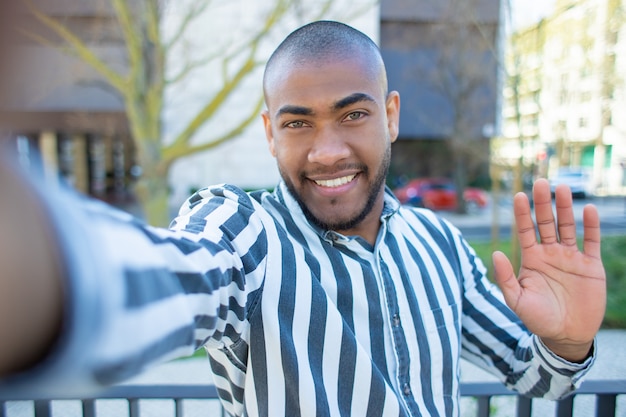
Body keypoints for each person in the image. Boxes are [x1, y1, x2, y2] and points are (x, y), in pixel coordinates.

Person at [0, 20, 606, 417]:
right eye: (297, 123)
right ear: (270, 132)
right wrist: (39, 263)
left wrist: (569, 339)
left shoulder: (440, 244)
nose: (327, 151)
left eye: (352, 115)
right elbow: (151, 281)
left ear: (390, 116)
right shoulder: (244, 235)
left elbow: (541, 381)